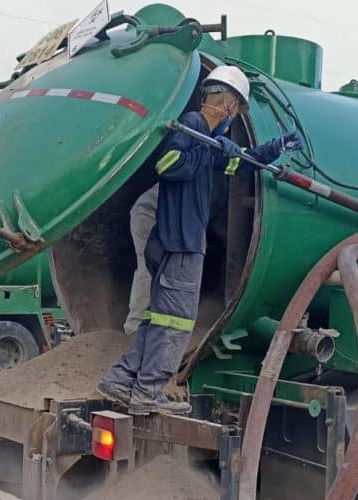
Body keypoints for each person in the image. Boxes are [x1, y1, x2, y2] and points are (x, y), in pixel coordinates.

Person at [98, 65, 303, 415]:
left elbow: (241, 163)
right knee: (177, 320)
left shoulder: (209, 140)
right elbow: (168, 164)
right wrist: (207, 150)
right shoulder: (193, 126)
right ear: (228, 105)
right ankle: (148, 391)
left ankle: (120, 379)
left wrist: (275, 148)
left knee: (160, 318)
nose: (233, 117)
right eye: (235, 110)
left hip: (175, 242)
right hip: (180, 244)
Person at [124, 183, 159, 336]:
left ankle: (139, 324)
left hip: (144, 213)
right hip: (148, 214)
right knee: (147, 270)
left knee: (147, 269)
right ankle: (134, 326)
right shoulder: (212, 186)